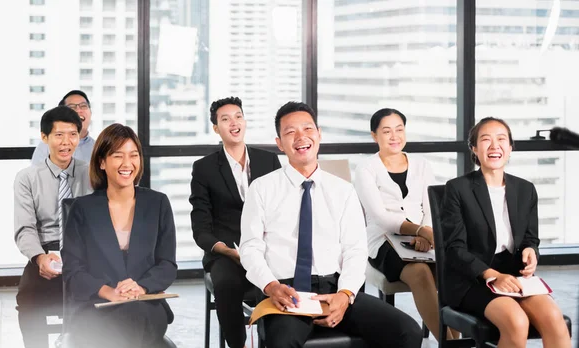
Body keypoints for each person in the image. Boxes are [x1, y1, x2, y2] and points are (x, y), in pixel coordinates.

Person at [239, 101, 422, 348]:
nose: (301, 137)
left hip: (335, 288)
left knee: (407, 331)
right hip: (286, 293)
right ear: (280, 143)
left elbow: (355, 250)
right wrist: (271, 286)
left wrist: (345, 295)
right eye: (290, 132)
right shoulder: (261, 189)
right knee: (282, 342)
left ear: (319, 134)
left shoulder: (343, 190)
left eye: (307, 129)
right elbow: (250, 248)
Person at [441, 117, 571, 348]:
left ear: (510, 148)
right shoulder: (457, 189)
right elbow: (455, 249)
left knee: (554, 319)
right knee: (516, 321)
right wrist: (493, 275)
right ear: (474, 148)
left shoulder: (525, 190)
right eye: (485, 140)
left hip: (513, 277)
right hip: (472, 280)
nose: (494, 146)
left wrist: (531, 251)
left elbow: (530, 238)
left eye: (501, 139)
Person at [61, 124, 177, 347]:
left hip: (144, 304)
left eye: (133, 155)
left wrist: (140, 287)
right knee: (115, 325)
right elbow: (72, 271)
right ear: (102, 162)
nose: (127, 164)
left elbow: (167, 265)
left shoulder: (158, 203)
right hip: (96, 305)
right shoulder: (82, 209)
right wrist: (109, 292)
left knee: (133, 317)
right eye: (118, 156)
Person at [354, 108, 455, 339]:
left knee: (452, 272)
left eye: (399, 129)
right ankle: (448, 344)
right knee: (419, 273)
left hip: (423, 239)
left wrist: (424, 234)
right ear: (374, 136)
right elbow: (380, 216)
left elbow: (431, 207)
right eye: (386, 131)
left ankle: (456, 342)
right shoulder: (366, 169)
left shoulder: (422, 165)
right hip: (383, 241)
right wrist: (420, 231)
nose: (394, 136)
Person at [190, 97, 281, 348]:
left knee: (291, 274)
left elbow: (281, 211)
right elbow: (200, 227)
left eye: (238, 116)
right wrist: (228, 251)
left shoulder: (268, 161)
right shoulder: (204, 168)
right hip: (226, 253)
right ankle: (237, 344)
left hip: (266, 248)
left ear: (245, 121)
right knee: (227, 284)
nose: (234, 122)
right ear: (216, 128)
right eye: (225, 119)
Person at [14, 106, 92, 348]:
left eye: (72, 134)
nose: (66, 142)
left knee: (98, 299)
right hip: (46, 252)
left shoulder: (91, 174)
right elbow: (24, 228)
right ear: (44, 137)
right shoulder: (27, 178)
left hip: (85, 253)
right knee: (28, 299)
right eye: (59, 135)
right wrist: (39, 258)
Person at [31, 90, 95, 165]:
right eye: (72, 107)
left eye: (83, 106)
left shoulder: (98, 148)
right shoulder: (46, 145)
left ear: (90, 112)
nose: (78, 110)